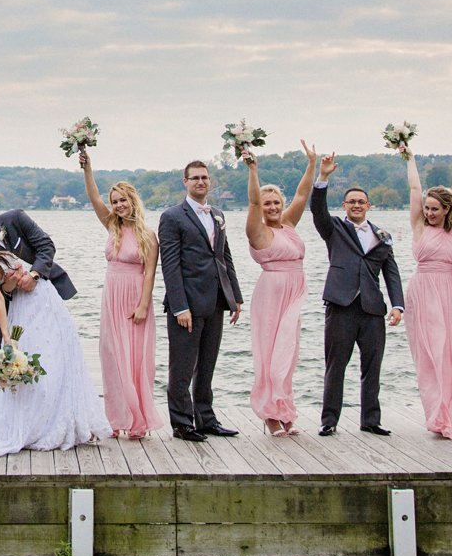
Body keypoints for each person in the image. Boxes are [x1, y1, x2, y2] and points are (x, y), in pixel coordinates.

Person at [0, 222, 108, 457]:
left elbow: (7, 281)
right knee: (52, 360)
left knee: (61, 357)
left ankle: (69, 422)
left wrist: (16, 277)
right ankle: (49, 425)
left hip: (38, 296)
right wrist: (5, 334)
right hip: (32, 304)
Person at [0, 209, 77, 447]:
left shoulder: (15, 218)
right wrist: (10, 287)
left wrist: (33, 274)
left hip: (42, 296)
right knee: (1, 358)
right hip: (11, 307)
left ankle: (56, 421)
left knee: (55, 358)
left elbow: (46, 246)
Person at [309, 155, 404, 436]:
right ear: (345, 206)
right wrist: (323, 178)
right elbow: (317, 210)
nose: (357, 205)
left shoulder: (382, 236)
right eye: (352, 202)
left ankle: (370, 420)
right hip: (341, 305)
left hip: (372, 309)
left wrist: (397, 305)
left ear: (368, 206)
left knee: (372, 367)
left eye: (361, 202)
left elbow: (392, 273)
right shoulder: (334, 228)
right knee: (335, 366)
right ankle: (329, 420)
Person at [157, 160, 244, 441]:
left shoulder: (217, 214)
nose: (201, 182)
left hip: (216, 301)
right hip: (187, 305)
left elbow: (224, 257)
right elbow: (170, 265)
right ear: (185, 182)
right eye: (195, 178)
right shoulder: (172, 217)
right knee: (181, 368)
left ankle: (206, 419)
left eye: (205, 178)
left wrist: (235, 297)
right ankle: (182, 423)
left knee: (207, 364)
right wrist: (180, 306)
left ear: (211, 182)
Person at [80, 146, 160, 440]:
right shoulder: (111, 226)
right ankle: (116, 419)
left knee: (134, 357)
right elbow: (94, 198)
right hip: (111, 296)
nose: (117, 205)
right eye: (115, 201)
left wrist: (143, 305)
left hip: (135, 298)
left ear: (132, 200)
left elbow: (150, 272)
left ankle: (137, 419)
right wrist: (88, 169)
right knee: (112, 356)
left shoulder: (148, 235)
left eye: (122, 200)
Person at [242, 143, 318, 436]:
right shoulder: (257, 231)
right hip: (271, 297)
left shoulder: (288, 224)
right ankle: (270, 415)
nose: (272, 207)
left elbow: (302, 195)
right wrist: (253, 170)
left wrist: (312, 164)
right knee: (270, 356)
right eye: (267, 203)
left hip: (293, 297)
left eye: (276, 202)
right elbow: (251, 203)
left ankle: (284, 409)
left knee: (288, 356)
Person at [401, 151, 452, 440]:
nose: (428, 213)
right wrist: (410, 159)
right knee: (430, 356)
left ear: (446, 210)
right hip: (422, 292)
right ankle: (436, 414)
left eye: (434, 209)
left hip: (448, 294)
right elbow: (415, 189)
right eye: (426, 208)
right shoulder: (419, 227)